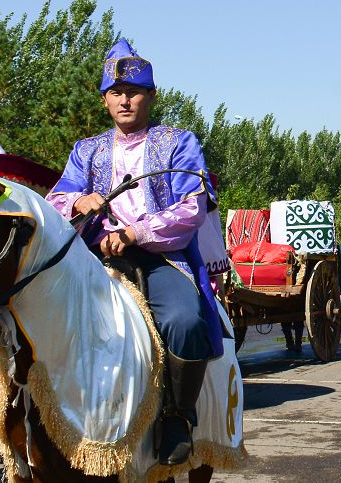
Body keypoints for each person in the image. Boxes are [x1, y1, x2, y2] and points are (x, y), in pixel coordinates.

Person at [45, 39, 222, 466]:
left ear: (152, 96)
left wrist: (135, 232)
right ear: (105, 99)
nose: (125, 100)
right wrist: (78, 201)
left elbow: (192, 206)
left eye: (135, 91)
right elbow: (54, 200)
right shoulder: (85, 150)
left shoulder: (178, 142)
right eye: (116, 93)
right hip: (91, 260)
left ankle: (178, 417)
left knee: (184, 319)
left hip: (161, 258)